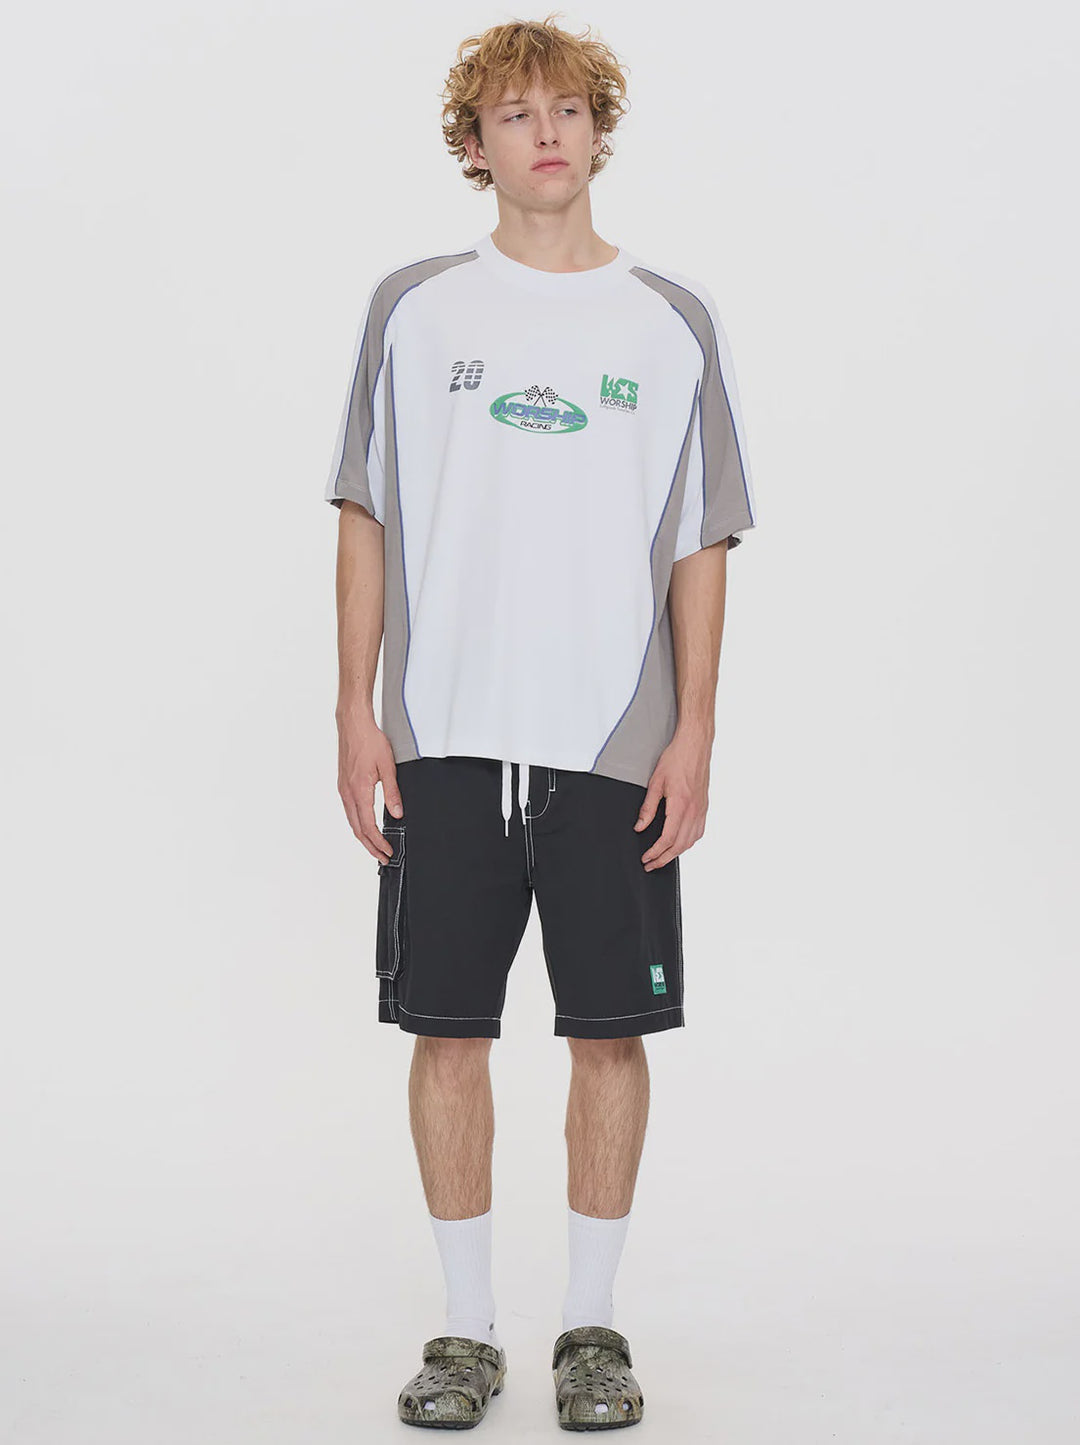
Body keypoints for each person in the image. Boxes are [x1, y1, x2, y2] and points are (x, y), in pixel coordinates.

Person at [324, 12, 756, 1431]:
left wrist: (696, 730)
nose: (546, 132)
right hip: (445, 737)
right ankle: (465, 1334)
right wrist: (354, 711)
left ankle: (591, 1328)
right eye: (515, 113)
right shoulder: (414, 308)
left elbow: (702, 541)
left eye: (568, 108)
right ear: (476, 145)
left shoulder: (671, 319)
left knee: (607, 1039)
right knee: (446, 1033)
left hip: (614, 747)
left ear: (600, 131)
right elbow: (366, 513)